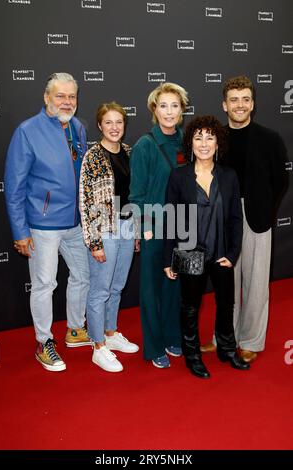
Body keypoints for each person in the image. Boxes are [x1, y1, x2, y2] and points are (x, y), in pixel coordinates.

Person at [4, 72, 90, 372]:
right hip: (42, 225)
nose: (66, 102)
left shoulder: (78, 127)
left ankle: (76, 329)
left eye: (71, 97)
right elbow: (14, 187)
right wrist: (20, 230)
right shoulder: (27, 131)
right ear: (46, 98)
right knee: (44, 284)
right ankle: (44, 341)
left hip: (75, 222)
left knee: (83, 275)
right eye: (60, 96)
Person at [201, 76, 288, 362]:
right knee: (226, 281)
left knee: (256, 281)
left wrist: (266, 209)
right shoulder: (216, 139)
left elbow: (281, 181)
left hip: (258, 218)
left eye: (245, 99)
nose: (240, 105)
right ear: (225, 105)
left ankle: (251, 339)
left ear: (253, 104)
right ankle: (224, 335)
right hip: (223, 218)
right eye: (234, 100)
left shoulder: (270, 139)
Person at [164, 115, 250, 378]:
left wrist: (233, 254)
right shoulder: (179, 176)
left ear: (217, 143)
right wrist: (169, 259)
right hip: (190, 251)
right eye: (198, 137)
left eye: (210, 138)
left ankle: (226, 350)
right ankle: (192, 356)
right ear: (190, 142)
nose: (204, 143)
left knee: (226, 304)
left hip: (222, 251)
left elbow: (236, 218)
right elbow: (170, 218)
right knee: (190, 307)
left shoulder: (229, 176)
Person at [129, 82, 189, 368]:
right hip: (155, 226)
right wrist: (144, 229)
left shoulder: (187, 141)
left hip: (184, 226)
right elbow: (136, 194)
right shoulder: (144, 145)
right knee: (152, 288)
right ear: (154, 109)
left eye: (174, 105)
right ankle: (154, 347)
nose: (169, 111)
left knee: (175, 285)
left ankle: (172, 336)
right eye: (163, 105)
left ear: (182, 110)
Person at [79, 102, 139, 373]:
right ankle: (98, 346)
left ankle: (111, 333)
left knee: (117, 286)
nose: (115, 127)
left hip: (127, 227)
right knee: (100, 290)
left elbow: (135, 195)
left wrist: (136, 230)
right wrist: (94, 241)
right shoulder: (92, 157)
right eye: (109, 122)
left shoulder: (130, 152)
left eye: (119, 122)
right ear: (100, 126)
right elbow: (85, 200)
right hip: (104, 229)